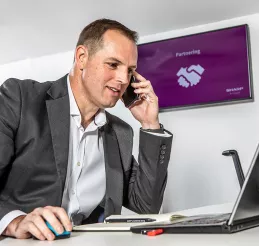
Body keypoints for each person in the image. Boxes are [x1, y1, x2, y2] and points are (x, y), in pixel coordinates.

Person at [0, 18, 173, 240]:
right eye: (113, 64)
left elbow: (146, 205)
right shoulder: (21, 99)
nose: (122, 79)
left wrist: (151, 125)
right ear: (82, 57)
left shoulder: (119, 133)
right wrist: (14, 222)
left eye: (130, 71)